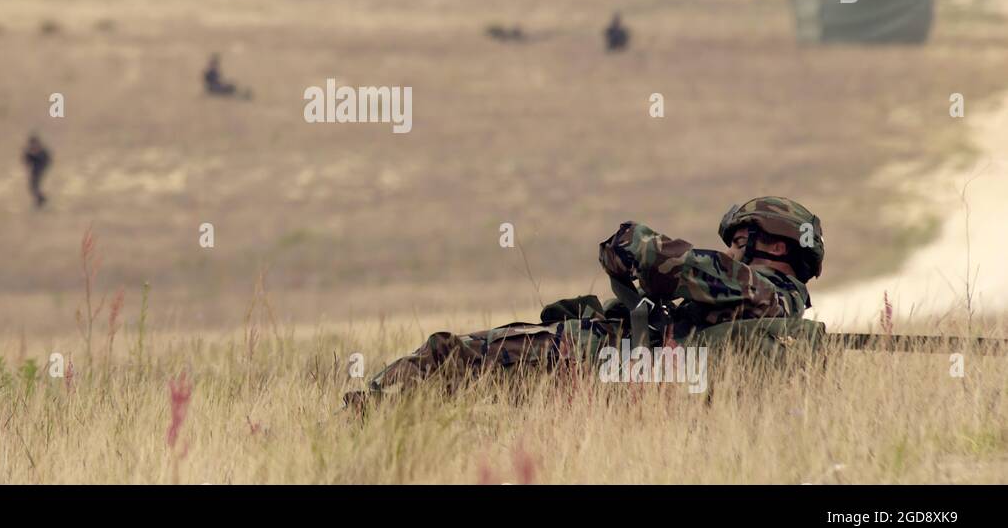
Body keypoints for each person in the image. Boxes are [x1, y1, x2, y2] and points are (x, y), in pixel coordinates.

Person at [347, 197, 824, 406]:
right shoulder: (774, 310)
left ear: (776, 247)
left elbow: (658, 258)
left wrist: (625, 241)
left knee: (447, 357)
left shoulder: (759, 292)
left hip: (597, 362)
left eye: (740, 239)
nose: (730, 250)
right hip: (624, 370)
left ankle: (350, 424)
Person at [22, 134, 53, 208]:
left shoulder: (42, 151)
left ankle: (41, 200)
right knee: (32, 186)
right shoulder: (30, 152)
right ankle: (41, 199)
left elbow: (46, 159)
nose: (33, 145)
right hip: (35, 169)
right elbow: (27, 160)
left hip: (40, 169)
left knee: (34, 185)